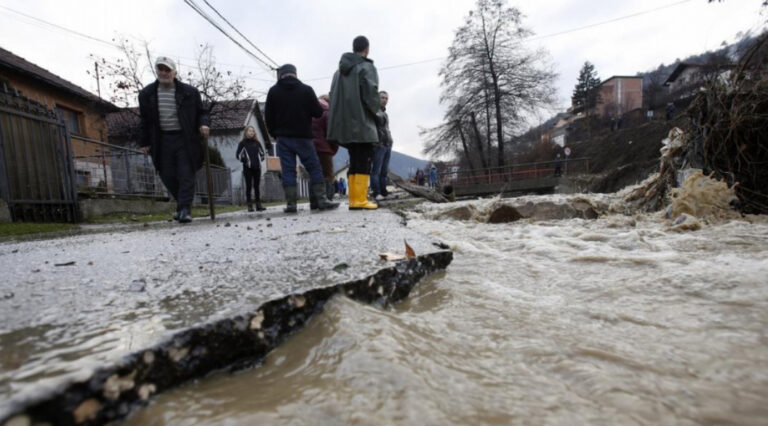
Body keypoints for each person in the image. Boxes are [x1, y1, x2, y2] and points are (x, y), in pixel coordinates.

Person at [139, 56, 209, 223]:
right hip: (161, 140)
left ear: (174, 72)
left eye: (167, 70)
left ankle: (185, 209)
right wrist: (144, 141)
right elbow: (144, 120)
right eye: (160, 69)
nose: (164, 73)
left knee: (186, 173)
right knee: (167, 175)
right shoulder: (147, 94)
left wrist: (204, 124)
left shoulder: (189, 92)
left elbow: (202, 112)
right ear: (156, 71)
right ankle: (181, 205)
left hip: (185, 139)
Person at [265, 63, 339, 213]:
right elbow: (318, 112)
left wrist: (275, 133)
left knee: (288, 170)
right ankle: (322, 200)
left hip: (283, 139)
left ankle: (291, 204)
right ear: (295, 74)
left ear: (281, 75)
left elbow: (268, 117)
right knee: (314, 168)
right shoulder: (306, 90)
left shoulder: (273, 92)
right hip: (304, 137)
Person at [328, 35, 381, 210]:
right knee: (364, 160)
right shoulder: (366, 67)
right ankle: (360, 200)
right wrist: (378, 114)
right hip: (362, 123)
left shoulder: (338, 73)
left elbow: (332, 97)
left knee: (354, 160)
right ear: (367, 49)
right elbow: (371, 95)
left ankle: (354, 200)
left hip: (344, 125)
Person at [311, 94, 339, 204]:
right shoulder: (327, 113)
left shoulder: (310, 112)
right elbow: (331, 134)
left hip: (311, 148)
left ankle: (314, 202)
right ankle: (327, 199)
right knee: (328, 175)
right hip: (324, 148)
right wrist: (333, 148)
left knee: (314, 174)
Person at [236, 125, 266, 212]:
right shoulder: (242, 143)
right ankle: (249, 205)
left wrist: (260, 160)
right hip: (247, 168)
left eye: (253, 131)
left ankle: (258, 205)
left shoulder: (257, 143)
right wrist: (245, 161)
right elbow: (238, 155)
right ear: (246, 132)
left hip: (257, 168)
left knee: (257, 186)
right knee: (248, 186)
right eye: (249, 131)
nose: (251, 132)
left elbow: (262, 154)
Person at [371, 91, 393, 200]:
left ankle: (383, 192)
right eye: (382, 97)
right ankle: (376, 192)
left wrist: (391, 141)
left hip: (387, 144)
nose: (384, 100)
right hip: (379, 144)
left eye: (386, 98)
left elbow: (386, 129)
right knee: (376, 170)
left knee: (384, 171)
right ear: (377, 98)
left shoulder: (385, 114)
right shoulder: (375, 111)